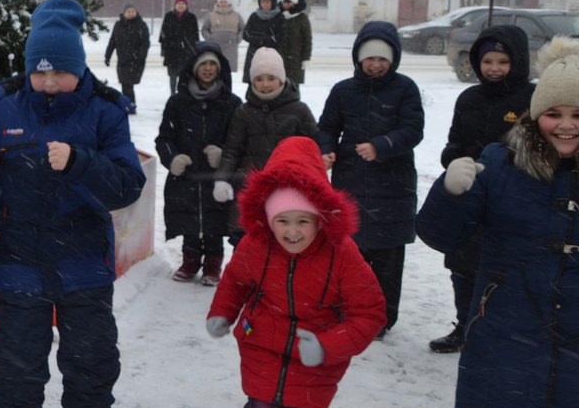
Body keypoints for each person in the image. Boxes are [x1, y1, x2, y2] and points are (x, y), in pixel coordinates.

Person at [0, 0, 146, 408]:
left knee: (90, 353)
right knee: (17, 352)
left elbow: (127, 183)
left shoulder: (104, 112)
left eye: (59, 72)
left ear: (78, 69)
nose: (50, 82)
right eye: (40, 72)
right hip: (19, 257)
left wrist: (81, 161)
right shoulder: (2, 107)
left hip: (83, 259)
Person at [416, 36, 579, 408]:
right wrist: (450, 190)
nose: (567, 125)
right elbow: (441, 235)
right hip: (510, 321)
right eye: (553, 113)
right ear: (535, 117)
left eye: (578, 113)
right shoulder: (500, 163)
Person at [207, 135, 386, 408]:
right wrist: (223, 313)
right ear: (267, 220)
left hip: (315, 350)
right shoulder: (256, 245)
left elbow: (369, 312)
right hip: (263, 343)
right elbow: (236, 281)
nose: (292, 232)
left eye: (303, 221)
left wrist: (327, 345)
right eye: (282, 221)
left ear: (320, 218)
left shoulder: (341, 253)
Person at [428, 25, 534, 354]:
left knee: (506, 268)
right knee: (463, 266)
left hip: (513, 196)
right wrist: (456, 160)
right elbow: (453, 143)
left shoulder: (531, 98)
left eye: (502, 61)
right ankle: (466, 326)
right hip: (471, 195)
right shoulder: (468, 98)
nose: (494, 68)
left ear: (516, 62)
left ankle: (506, 331)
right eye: (487, 60)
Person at [317, 22, 423, 337]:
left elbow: (413, 130)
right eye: (369, 57)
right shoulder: (343, 90)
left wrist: (382, 146)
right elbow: (327, 127)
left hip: (393, 187)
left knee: (387, 260)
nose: (375, 64)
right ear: (358, 58)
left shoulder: (405, 88)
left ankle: (381, 317)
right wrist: (326, 150)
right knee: (349, 254)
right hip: (350, 184)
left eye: (382, 58)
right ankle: (347, 310)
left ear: (394, 59)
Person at [212, 47, 318, 245]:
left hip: (287, 189)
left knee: (282, 241)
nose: (265, 84)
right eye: (259, 79)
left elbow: (313, 147)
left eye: (271, 77)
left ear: (281, 78)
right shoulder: (244, 112)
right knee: (246, 243)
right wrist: (222, 179)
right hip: (250, 188)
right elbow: (232, 150)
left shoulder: (299, 110)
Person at [155, 41, 241, 285]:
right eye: (203, 64)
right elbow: (164, 138)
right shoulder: (178, 102)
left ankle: (213, 265)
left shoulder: (231, 103)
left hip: (217, 176)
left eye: (212, 64)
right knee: (190, 219)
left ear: (220, 68)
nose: (208, 69)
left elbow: (239, 142)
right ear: (193, 68)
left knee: (215, 220)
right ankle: (190, 260)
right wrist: (173, 158)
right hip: (187, 176)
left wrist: (223, 155)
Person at [103, 2, 150, 113]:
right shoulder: (119, 25)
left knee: (129, 84)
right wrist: (107, 56)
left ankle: (130, 106)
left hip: (135, 60)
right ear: (124, 13)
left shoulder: (141, 25)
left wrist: (140, 56)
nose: (131, 13)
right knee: (125, 84)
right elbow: (112, 41)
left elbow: (145, 43)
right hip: (122, 60)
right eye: (128, 11)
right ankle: (128, 105)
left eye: (133, 11)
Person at [241, 0, 286, 86]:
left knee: (270, 81)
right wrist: (258, 40)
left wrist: (265, 41)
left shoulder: (279, 17)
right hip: (254, 53)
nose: (265, 4)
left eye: (267, 2)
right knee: (254, 81)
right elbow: (246, 34)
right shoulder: (254, 16)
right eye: (263, 2)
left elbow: (281, 37)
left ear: (273, 3)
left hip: (272, 55)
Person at [159, 0, 200, 94]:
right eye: (179, 3)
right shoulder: (169, 16)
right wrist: (164, 49)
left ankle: (183, 93)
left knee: (185, 75)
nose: (180, 5)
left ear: (186, 5)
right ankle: (172, 93)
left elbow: (195, 36)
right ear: (175, 5)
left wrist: (194, 50)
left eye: (183, 3)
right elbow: (163, 35)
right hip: (172, 52)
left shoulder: (191, 18)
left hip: (186, 52)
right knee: (172, 75)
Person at [201, 0, 244, 75]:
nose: (223, 4)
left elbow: (243, 29)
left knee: (229, 70)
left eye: (225, 2)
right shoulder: (211, 15)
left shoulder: (236, 15)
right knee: (216, 69)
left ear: (229, 3)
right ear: (218, 3)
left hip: (231, 47)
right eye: (221, 2)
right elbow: (204, 29)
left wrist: (238, 38)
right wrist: (210, 38)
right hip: (216, 46)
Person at [279, 0, 312, 86]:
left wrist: (306, 58)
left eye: (289, 2)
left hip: (296, 59)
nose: (286, 4)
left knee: (293, 86)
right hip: (279, 58)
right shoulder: (278, 16)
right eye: (285, 2)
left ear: (294, 3)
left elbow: (307, 39)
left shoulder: (302, 18)